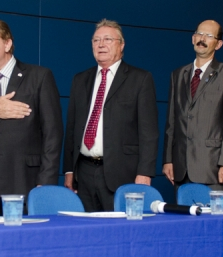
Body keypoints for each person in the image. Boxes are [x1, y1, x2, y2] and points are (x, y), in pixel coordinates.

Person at [0, 19, 63, 214]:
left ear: (7, 44)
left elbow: (53, 133)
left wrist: (46, 182)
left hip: (25, 181)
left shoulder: (39, 77)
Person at [64, 19, 159, 212]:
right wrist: (69, 170)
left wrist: (145, 172)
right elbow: (72, 129)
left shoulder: (140, 79)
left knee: (119, 227)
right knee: (86, 226)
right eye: (96, 40)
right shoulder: (80, 80)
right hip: (84, 173)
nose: (101, 44)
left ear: (121, 45)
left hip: (122, 173)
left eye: (107, 39)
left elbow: (149, 132)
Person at [163, 20, 223, 194]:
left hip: (213, 168)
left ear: (218, 44)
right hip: (181, 167)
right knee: (183, 212)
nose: (202, 39)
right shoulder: (178, 74)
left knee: (213, 213)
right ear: (193, 38)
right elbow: (171, 122)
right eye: (199, 34)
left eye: (209, 35)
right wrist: (168, 160)